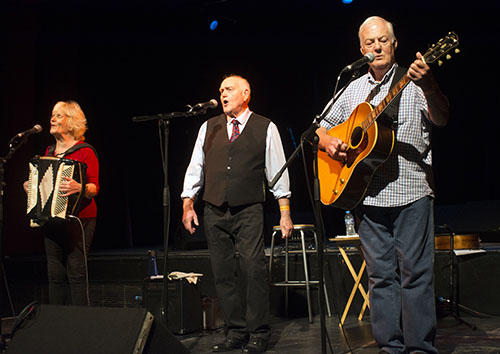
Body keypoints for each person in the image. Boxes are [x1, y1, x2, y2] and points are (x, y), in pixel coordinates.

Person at [316, 16, 449, 354]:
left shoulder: (415, 80)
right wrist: (329, 143)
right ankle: (389, 347)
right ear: (361, 49)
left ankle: (420, 349)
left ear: (394, 44)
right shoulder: (353, 88)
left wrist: (431, 85)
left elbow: (442, 117)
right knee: (379, 277)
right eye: (370, 43)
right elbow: (320, 127)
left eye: (383, 41)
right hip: (369, 196)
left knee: (415, 275)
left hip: (411, 192)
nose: (377, 47)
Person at [182, 75, 293, 353]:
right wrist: (188, 203)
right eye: (220, 90)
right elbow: (196, 167)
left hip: (249, 209)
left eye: (228, 89)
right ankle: (235, 331)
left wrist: (284, 213)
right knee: (222, 273)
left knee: (253, 268)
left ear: (246, 93)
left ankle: (259, 332)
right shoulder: (209, 127)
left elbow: (278, 173)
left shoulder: (265, 127)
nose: (223, 94)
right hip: (214, 208)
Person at [24, 100, 99, 306]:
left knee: (76, 271)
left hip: (80, 218)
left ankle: (80, 322)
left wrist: (80, 188)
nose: (52, 119)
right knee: (54, 272)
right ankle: (57, 320)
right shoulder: (49, 153)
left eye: (58, 115)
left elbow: (94, 188)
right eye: (52, 115)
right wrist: (31, 186)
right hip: (53, 219)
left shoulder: (85, 151)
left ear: (72, 121)